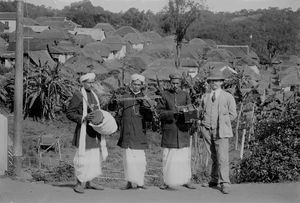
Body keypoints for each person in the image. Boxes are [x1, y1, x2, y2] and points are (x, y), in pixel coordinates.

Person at [108, 73, 153, 190]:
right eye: (134, 84)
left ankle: (140, 183)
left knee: (140, 160)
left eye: (139, 85)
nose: (136, 86)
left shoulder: (145, 98)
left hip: (139, 132)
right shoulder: (125, 97)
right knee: (128, 159)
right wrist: (112, 100)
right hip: (127, 132)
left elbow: (149, 118)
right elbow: (112, 108)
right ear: (131, 84)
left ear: (142, 86)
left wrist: (146, 105)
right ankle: (128, 183)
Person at [66, 72, 106, 193]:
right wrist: (83, 118)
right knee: (82, 157)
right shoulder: (78, 95)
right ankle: (79, 183)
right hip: (84, 131)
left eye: (92, 82)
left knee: (93, 156)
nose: (91, 84)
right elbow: (69, 113)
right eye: (88, 82)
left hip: (94, 131)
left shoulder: (95, 95)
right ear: (83, 83)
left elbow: (98, 111)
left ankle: (90, 182)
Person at [199, 70, 237, 194]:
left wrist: (222, 121)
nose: (214, 83)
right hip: (206, 130)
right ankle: (214, 179)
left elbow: (233, 114)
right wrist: (202, 124)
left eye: (216, 81)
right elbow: (201, 112)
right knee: (213, 156)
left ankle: (225, 182)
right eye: (211, 81)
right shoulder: (205, 96)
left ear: (221, 82)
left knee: (223, 158)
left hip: (221, 131)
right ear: (209, 83)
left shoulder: (227, 96)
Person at [157, 73, 196, 190]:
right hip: (170, 131)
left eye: (177, 83)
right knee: (169, 156)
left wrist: (187, 113)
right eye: (173, 83)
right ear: (170, 83)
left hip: (183, 131)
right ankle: (167, 181)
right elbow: (160, 113)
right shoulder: (164, 95)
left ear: (181, 83)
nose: (175, 85)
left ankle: (186, 180)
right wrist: (172, 113)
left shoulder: (186, 94)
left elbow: (191, 113)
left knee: (184, 157)